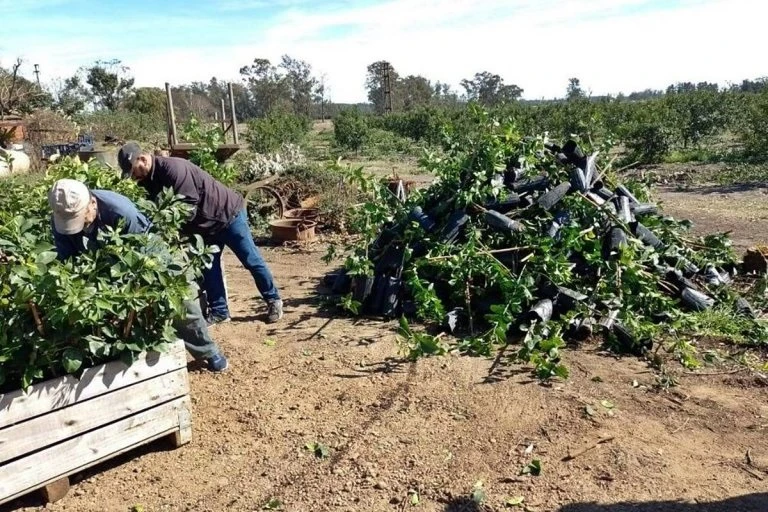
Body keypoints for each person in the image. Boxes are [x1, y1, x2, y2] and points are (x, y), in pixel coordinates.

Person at [48, 178, 229, 372]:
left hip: (144, 247)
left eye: (79, 218)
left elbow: (137, 257)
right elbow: (67, 261)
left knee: (177, 297)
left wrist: (124, 286)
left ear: (92, 203)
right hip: (98, 258)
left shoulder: (120, 211)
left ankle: (208, 351)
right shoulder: (61, 217)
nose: (76, 225)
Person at [117, 141, 283, 325]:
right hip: (204, 226)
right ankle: (220, 311)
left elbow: (188, 206)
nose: (133, 177)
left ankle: (273, 300)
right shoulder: (147, 181)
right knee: (208, 268)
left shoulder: (174, 169)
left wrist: (172, 230)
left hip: (228, 215)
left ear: (142, 159)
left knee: (251, 259)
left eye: (133, 171)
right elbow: (155, 209)